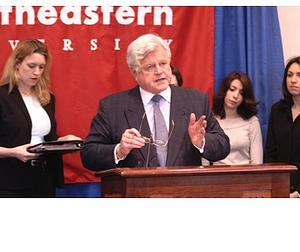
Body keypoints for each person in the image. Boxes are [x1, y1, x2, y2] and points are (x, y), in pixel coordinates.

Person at [81, 34, 230, 171]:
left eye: (163, 63)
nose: (159, 71)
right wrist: (119, 150)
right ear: (134, 72)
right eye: (150, 67)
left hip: (185, 192)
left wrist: (201, 142)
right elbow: (88, 155)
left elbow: (223, 146)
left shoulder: (195, 100)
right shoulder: (112, 107)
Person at [0, 39, 80, 197]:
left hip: (44, 177)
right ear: (17, 64)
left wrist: (63, 142)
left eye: (41, 67)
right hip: (9, 180)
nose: (37, 72)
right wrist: (13, 152)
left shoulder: (47, 98)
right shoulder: (2, 97)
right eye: (31, 66)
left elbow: (46, 139)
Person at [202, 71, 263, 166]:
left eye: (241, 93)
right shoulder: (211, 121)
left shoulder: (252, 122)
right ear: (225, 90)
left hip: (246, 178)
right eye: (232, 89)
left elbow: (257, 162)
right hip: (216, 177)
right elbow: (205, 161)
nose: (235, 96)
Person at [265, 56, 300, 198]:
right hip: (280, 189)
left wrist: (298, 193)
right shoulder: (277, 110)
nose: (293, 80)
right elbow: (270, 155)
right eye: (289, 75)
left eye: (299, 75)